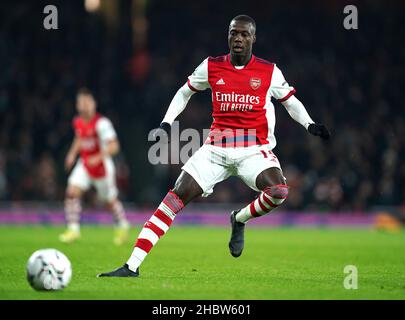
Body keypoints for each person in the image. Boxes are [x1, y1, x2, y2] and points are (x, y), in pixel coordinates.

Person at [98, 15, 330, 277]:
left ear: (253, 38)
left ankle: (239, 218)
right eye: (233, 33)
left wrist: (310, 124)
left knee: (278, 191)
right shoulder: (211, 66)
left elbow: (290, 101)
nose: (238, 38)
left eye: (244, 34)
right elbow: (185, 91)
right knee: (175, 197)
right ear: (228, 36)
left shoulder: (269, 71)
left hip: (254, 149)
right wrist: (167, 122)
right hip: (216, 148)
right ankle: (132, 265)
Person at [59, 88, 130, 245]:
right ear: (77, 105)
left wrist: (97, 157)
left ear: (94, 104)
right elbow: (79, 138)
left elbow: (114, 146)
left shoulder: (102, 124)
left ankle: (122, 225)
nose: (84, 106)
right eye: (81, 102)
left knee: (109, 201)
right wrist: (72, 154)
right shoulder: (77, 121)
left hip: (102, 167)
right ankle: (73, 229)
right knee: (71, 191)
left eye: (87, 102)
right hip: (84, 164)